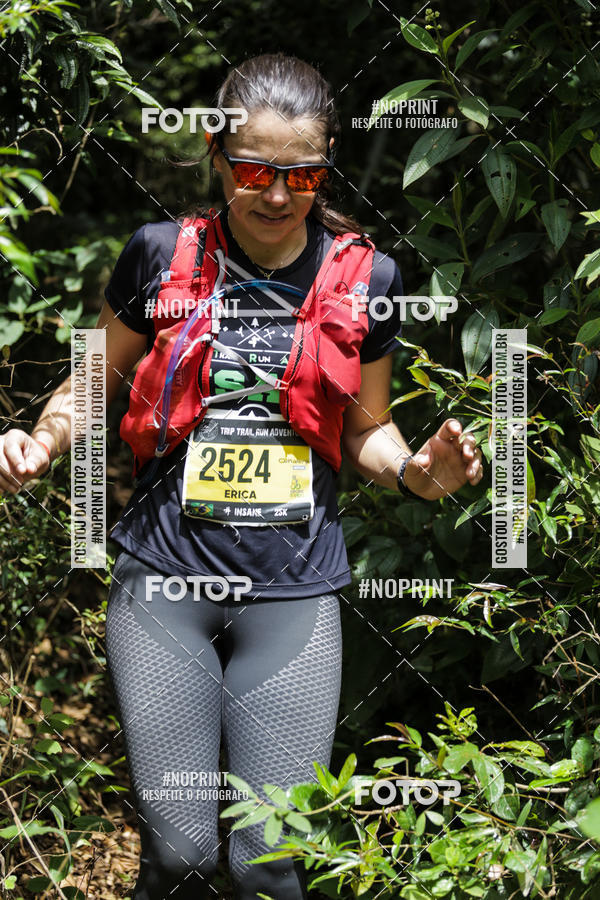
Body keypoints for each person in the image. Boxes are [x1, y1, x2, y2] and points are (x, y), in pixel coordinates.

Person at [0, 53, 483, 900]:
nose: (275, 195)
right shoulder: (159, 256)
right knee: (182, 854)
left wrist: (422, 473)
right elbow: (92, 376)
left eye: (301, 175)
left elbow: (367, 431)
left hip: (293, 592)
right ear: (220, 160)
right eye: (255, 170)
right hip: (163, 585)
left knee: (268, 860)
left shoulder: (366, 279)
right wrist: (42, 440)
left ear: (324, 169)